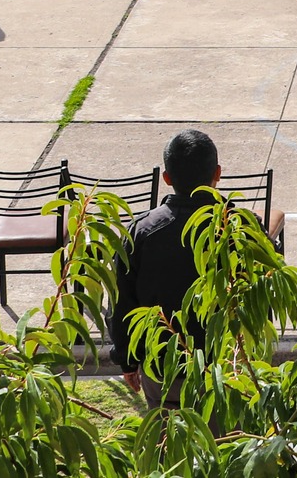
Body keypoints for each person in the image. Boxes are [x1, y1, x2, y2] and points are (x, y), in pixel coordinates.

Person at [111, 129, 223, 405]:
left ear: (166, 178)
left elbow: (123, 303)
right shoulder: (240, 230)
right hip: (225, 367)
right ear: (217, 173)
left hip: (163, 368)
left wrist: (127, 360)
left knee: (168, 441)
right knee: (228, 443)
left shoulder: (142, 232)